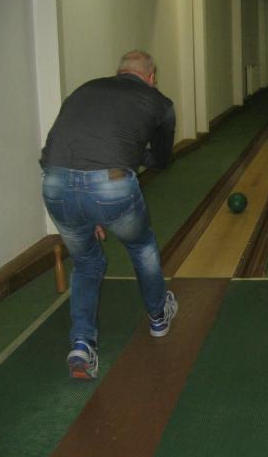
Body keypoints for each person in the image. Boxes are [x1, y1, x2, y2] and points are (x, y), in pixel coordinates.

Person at [40, 50, 178, 379]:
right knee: (141, 247)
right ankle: (158, 316)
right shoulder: (160, 102)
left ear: (119, 72)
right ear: (151, 77)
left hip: (55, 183)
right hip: (111, 185)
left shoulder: (85, 89)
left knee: (87, 263)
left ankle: (82, 345)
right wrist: (134, 154)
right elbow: (161, 160)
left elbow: (56, 148)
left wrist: (87, 207)